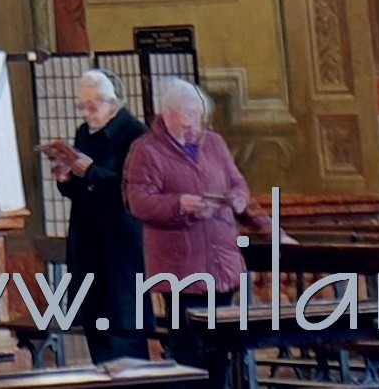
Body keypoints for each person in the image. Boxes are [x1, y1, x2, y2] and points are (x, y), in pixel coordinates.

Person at [124, 76, 252, 388]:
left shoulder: (215, 143)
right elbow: (137, 202)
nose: (195, 124)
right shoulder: (146, 151)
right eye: (188, 117)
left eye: (198, 115)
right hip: (181, 268)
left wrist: (237, 199)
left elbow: (238, 182)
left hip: (221, 262)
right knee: (190, 352)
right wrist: (179, 205)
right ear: (168, 115)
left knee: (221, 349)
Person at [44, 67, 145, 359]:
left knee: (124, 340)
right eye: (82, 107)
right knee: (96, 336)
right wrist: (66, 178)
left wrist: (90, 171)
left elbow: (131, 190)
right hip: (87, 244)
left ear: (113, 103)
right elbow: (80, 191)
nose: (86, 113)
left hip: (119, 248)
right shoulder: (84, 134)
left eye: (93, 106)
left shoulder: (135, 135)